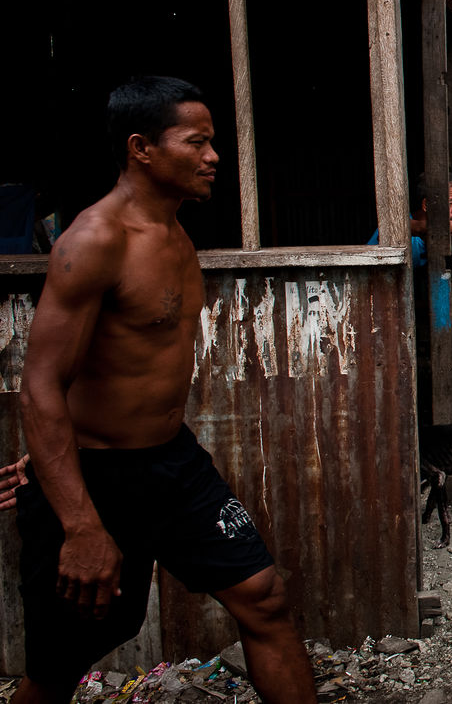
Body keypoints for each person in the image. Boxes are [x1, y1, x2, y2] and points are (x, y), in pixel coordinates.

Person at [10, 77, 315, 703]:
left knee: (263, 599)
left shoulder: (173, 232)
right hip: (96, 478)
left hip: (172, 464)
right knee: (61, 666)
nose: (213, 157)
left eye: (212, 142)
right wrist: (79, 523)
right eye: (196, 142)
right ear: (141, 148)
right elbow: (40, 384)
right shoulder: (96, 241)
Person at [368, 174, 452, 266]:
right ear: (426, 205)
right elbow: (424, 227)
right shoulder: (404, 224)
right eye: (450, 203)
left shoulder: (447, 220)